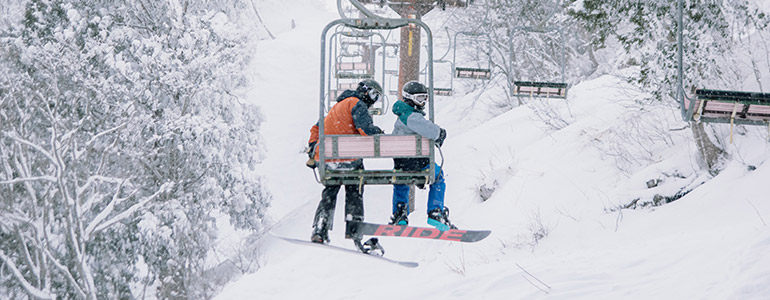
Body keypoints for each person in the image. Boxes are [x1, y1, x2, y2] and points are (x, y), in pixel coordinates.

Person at [306, 79, 384, 245]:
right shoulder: (357, 104)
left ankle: (321, 226)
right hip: (350, 161)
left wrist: (314, 148)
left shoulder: (337, 108)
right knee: (355, 188)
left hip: (329, 161)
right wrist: (379, 132)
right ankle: (354, 226)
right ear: (365, 91)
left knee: (330, 190)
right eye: (374, 95)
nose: (373, 100)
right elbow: (366, 131)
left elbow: (316, 128)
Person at [389, 80, 456, 231]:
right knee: (438, 176)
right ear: (409, 98)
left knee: (401, 181)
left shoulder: (401, 117)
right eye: (419, 98)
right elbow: (430, 131)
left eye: (424, 98)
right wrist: (440, 133)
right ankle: (435, 212)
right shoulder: (410, 116)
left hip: (401, 164)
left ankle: (400, 214)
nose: (423, 102)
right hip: (417, 163)